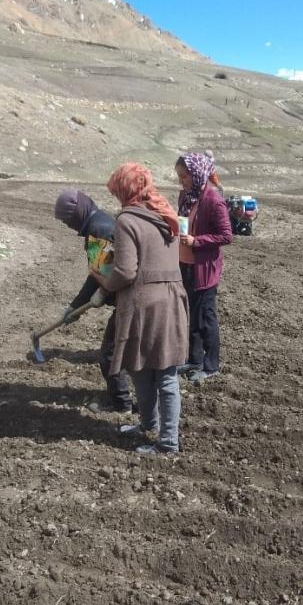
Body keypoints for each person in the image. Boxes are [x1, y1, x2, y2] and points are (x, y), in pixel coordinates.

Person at [92, 163, 188, 454]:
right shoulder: (166, 213)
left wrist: (103, 282)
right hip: (172, 301)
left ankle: (168, 442)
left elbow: (125, 271)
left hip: (145, 304)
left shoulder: (127, 221)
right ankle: (148, 425)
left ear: (125, 189)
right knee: (147, 369)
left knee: (158, 374)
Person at [54, 190, 133, 413]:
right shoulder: (99, 222)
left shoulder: (99, 230)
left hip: (128, 301)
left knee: (110, 356)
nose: (67, 226)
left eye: (67, 220)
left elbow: (105, 275)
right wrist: (75, 306)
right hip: (129, 298)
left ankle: (121, 404)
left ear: (77, 214)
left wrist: (95, 296)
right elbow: (98, 272)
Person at [176, 152, 233, 382]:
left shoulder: (213, 199)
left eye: (184, 176)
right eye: (179, 176)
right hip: (186, 264)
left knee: (206, 317)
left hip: (204, 268)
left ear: (197, 174)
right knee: (191, 314)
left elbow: (226, 236)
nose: (181, 181)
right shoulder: (186, 196)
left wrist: (196, 241)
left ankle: (211, 365)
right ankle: (194, 359)